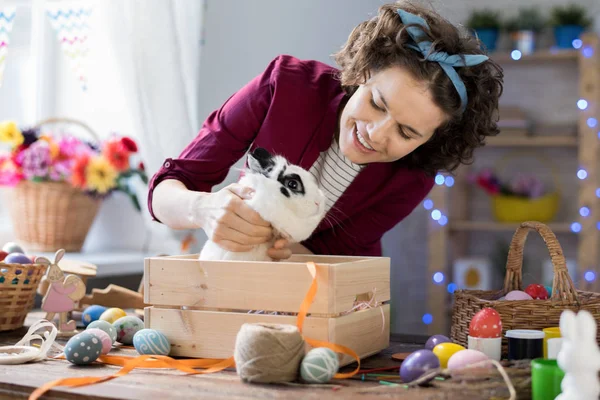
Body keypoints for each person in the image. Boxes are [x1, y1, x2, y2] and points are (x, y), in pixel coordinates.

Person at [148, 1, 503, 260]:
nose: (376, 134)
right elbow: (167, 189)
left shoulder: (413, 178)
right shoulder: (285, 85)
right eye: (377, 103)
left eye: (407, 133)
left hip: (328, 297)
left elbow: (329, 260)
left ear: (432, 139)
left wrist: (271, 247)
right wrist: (203, 208)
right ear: (363, 72)